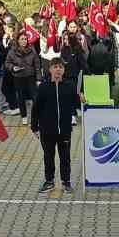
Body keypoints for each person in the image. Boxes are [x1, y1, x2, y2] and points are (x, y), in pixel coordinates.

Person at [31, 56, 81, 193]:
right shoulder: (43, 87)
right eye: (55, 67)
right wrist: (34, 127)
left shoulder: (70, 86)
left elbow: (76, 105)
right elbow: (36, 108)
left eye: (60, 67)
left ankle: (66, 182)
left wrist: (81, 99)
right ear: (50, 69)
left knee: (65, 158)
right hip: (47, 130)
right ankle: (49, 181)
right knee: (48, 157)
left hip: (64, 130)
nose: (58, 70)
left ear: (64, 70)